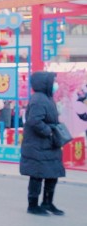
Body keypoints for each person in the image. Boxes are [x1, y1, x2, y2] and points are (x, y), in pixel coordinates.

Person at [20, 72, 66, 216]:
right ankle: (32, 205)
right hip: (38, 144)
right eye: (54, 81)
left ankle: (47, 202)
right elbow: (34, 121)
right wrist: (49, 131)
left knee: (52, 173)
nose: (55, 84)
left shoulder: (47, 98)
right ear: (45, 83)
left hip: (48, 145)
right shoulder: (39, 99)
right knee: (37, 174)